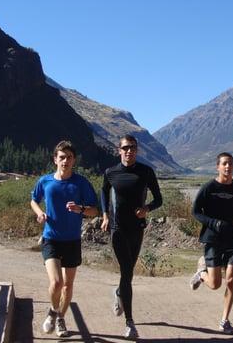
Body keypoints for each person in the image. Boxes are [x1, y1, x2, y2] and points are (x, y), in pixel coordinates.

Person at [30, 140, 98, 338]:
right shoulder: (45, 182)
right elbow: (34, 199)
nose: (65, 161)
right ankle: (53, 310)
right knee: (57, 283)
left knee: (68, 285)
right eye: (61, 157)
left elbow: (94, 210)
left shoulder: (81, 183)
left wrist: (81, 209)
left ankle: (60, 317)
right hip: (51, 238)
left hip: (73, 240)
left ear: (74, 160)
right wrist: (39, 213)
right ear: (55, 160)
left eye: (69, 157)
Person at [100, 134, 163, 339]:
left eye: (133, 147)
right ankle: (130, 323)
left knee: (129, 273)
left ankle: (119, 293)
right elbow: (103, 192)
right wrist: (105, 215)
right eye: (125, 148)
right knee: (126, 272)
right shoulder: (111, 172)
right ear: (119, 150)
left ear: (137, 150)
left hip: (137, 228)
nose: (129, 151)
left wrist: (147, 208)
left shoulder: (146, 171)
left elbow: (159, 199)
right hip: (117, 229)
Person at [189, 152, 233, 334]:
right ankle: (201, 275)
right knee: (215, 284)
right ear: (217, 167)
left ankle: (225, 320)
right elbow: (195, 211)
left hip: (232, 239)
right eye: (224, 163)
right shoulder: (209, 187)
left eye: (230, 164)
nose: (227, 167)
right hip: (212, 239)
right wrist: (212, 223)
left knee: (231, 279)